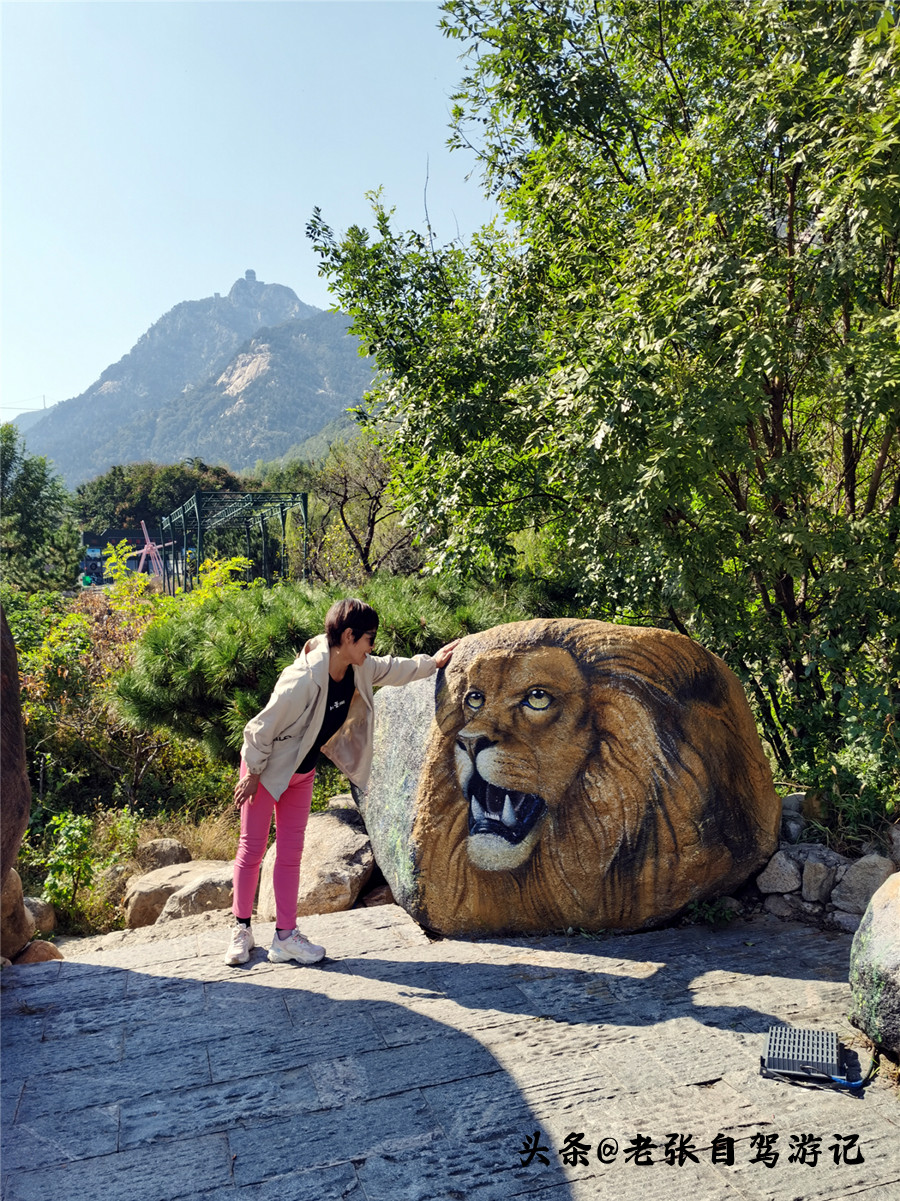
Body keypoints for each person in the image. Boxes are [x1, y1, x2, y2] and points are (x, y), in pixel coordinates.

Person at [225, 598, 458, 966]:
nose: (372, 647)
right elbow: (259, 727)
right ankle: (241, 929)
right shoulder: (302, 679)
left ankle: (285, 937)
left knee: (290, 855)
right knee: (252, 850)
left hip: (301, 774)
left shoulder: (358, 668)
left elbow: (393, 668)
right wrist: (252, 774)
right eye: (369, 638)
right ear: (348, 637)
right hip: (265, 771)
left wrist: (433, 662)